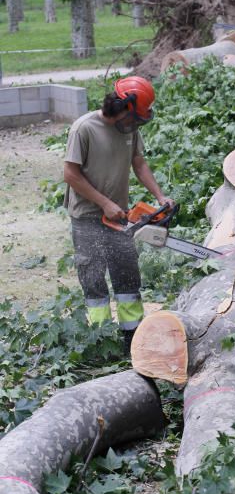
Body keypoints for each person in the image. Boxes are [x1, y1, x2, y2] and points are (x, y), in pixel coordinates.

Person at [63, 76, 175, 354]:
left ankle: (132, 337)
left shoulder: (130, 129)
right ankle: (100, 339)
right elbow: (70, 174)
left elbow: (139, 163)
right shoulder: (84, 128)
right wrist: (103, 203)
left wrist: (160, 197)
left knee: (126, 276)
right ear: (122, 107)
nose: (136, 124)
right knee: (93, 278)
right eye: (135, 117)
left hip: (121, 217)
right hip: (88, 216)